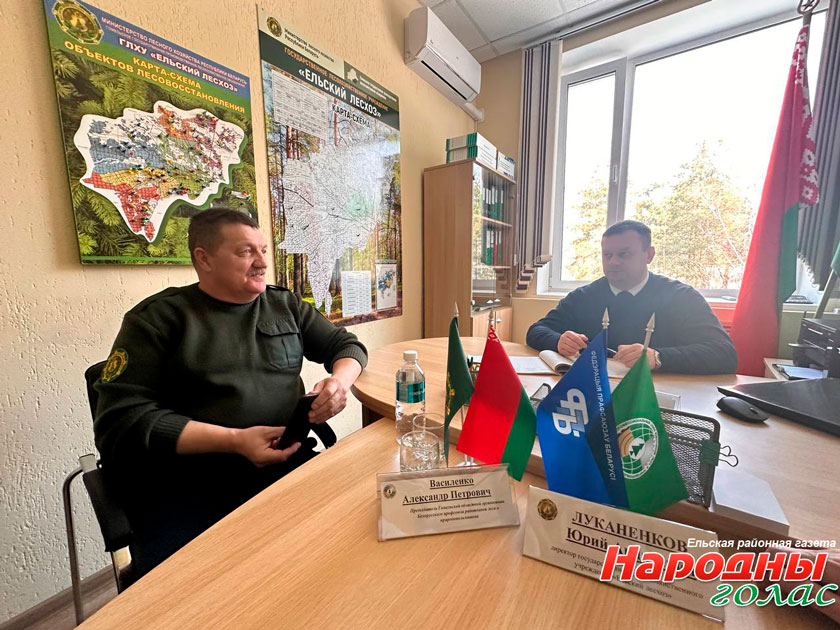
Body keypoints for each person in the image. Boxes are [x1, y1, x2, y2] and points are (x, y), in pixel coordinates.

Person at [94, 208, 368, 576]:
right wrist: (235, 441)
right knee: (203, 588)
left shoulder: (283, 305)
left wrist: (339, 383)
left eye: (263, 250)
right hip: (191, 485)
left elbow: (347, 346)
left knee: (346, 546)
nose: (262, 263)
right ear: (204, 259)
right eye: (245, 252)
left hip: (285, 462)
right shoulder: (158, 320)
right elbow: (121, 421)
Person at [526, 220, 737, 374]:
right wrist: (558, 341)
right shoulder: (584, 296)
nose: (613, 262)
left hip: (656, 396)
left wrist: (658, 357)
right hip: (595, 394)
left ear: (649, 255)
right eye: (607, 255)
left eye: (624, 254)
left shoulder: (682, 297)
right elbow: (536, 331)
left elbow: (724, 354)